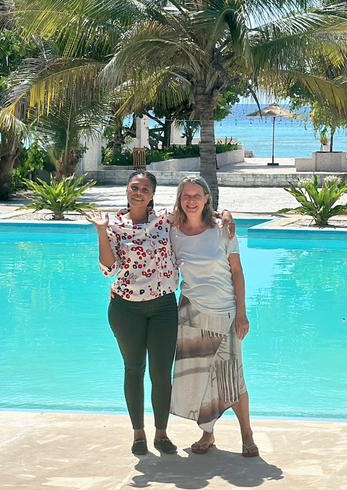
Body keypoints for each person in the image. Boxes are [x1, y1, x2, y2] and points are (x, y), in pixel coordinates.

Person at [88, 170, 180, 456]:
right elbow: (109, 269)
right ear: (127, 191)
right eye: (133, 187)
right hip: (126, 309)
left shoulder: (164, 220)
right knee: (134, 369)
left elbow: (196, 211)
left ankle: (161, 433)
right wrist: (102, 231)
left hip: (163, 306)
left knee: (162, 372)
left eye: (144, 188)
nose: (137, 192)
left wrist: (224, 221)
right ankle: (138, 433)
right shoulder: (114, 225)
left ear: (152, 194)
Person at [168, 176, 257, 458]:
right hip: (191, 312)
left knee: (233, 377)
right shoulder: (173, 230)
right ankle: (208, 434)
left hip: (225, 313)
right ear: (180, 200)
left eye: (197, 195)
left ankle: (247, 434)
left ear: (207, 199)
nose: (191, 200)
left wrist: (242, 314)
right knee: (200, 377)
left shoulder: (223, 230)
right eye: (186, 196)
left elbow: (238, 273)